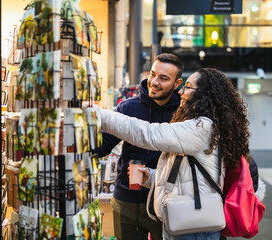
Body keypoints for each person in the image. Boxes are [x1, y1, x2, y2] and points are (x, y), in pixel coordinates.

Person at [96, 68, 251, 240]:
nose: (181, 92)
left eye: (188, 87)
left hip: (194, 226)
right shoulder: (202, 126)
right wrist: (152, 177)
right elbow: (187, 177)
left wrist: (100, 115)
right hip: (188, 221)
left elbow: (148, 134)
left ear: (204, 94)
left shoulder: (201, 127)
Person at [94, 53, 184, 240]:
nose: (154, 82)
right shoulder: (128, 108)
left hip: (165, 202)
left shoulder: (183, 114)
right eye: (152, 74)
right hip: (126, 200)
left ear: (177, 83)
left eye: (163, 78)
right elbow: (102, 147)